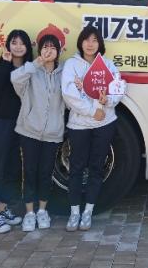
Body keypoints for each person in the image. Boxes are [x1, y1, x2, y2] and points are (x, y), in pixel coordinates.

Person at [61, 25, 124, 231]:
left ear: (100, 44)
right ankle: (74, 213)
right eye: (87, 39)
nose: (90, 44)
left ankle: (88, 212)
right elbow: (69, 94)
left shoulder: (108, 64)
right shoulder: (71, 64)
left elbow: (119, 87)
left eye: (95, 40)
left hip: (104, 124)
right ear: (80, 42)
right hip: (79, 125)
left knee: (96, 168)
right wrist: (91, 111)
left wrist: (108, 101)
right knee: (76, 168)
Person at [11, 34, 65, 232]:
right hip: (29, 131)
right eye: (45, 47)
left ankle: (42, 211)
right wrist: (37, 62)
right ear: (39, 50)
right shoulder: (32, 71)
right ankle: (29, 213)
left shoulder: (63, 73)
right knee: (30, 171)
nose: (49, 50)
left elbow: (69, 99)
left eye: (53, 47)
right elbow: (14, 78)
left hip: (53, 132)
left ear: (59, 51)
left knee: (45, 173)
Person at [0, 29, 33, 233]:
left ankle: (2, 210)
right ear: (8, 45)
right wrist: (5, 63)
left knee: (13, 169)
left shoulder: (30, 69)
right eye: (14, 42)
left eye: (22, 43)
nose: (18, 46)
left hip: (22, 126)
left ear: (28, 47)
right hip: (2, 124)